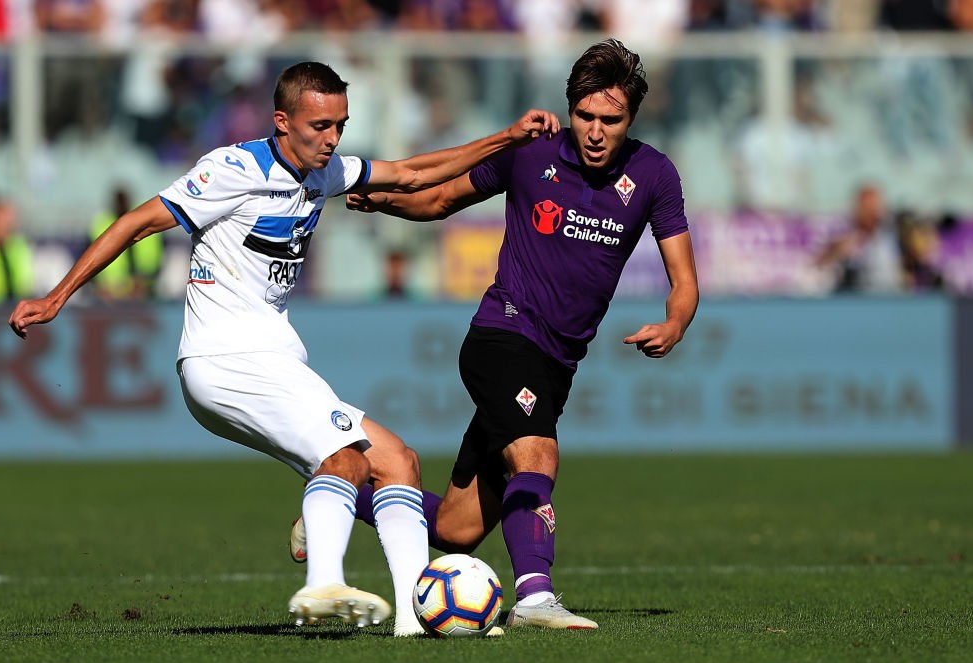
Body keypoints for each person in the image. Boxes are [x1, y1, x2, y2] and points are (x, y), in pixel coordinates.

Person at [8, 60, 559, 637]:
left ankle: (415, 619)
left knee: (398, 461)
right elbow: (135, 223)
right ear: (282, 120)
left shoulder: (326, 172)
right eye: (319, 126)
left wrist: (507, 137)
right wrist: (56, 299)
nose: (332, 138)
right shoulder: (234, 167)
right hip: (224, 358)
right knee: (344, 460)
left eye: (340, 125)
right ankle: (322, 585)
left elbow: (413, 174)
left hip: (273, 360)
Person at [292, 38, 700, 630]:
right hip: (501, 336)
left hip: (557, 362)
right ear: (569, 108)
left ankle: (332, 496)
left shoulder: (655, 173)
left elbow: (684, 279)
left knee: (457, 530)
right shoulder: (530, 155)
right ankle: (535, 597)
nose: (594, 131)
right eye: (584, 115)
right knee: (536, 454)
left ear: (630, 119)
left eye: (610, 120)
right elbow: (438, 199)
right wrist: (380, 201)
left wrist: (675, 322)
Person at [815, 183, 903, 294]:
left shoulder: (894, 232)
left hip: (889, 297)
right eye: (866, 207)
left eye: (874, 206)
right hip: (855, 298)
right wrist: (837, 252)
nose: (871, 212)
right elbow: (819, 264)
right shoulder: (843, 232)